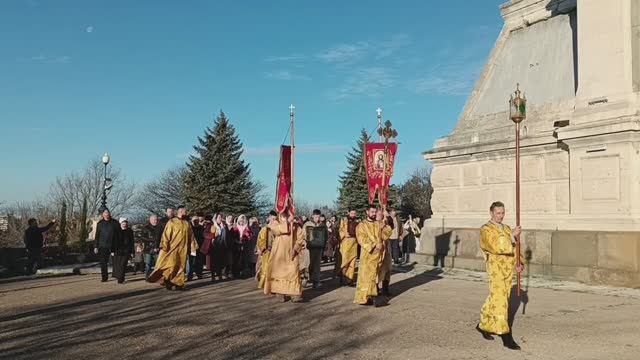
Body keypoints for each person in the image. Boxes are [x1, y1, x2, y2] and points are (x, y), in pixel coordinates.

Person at [475, 201, 523, 351]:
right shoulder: (485, 229)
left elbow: (515, 247)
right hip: (495, 269)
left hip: (508, 268)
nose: (500, 216)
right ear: (491, 213)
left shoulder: (507, 228)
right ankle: (505, 334)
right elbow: (495, 245)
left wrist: (519, 262)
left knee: (496, 297)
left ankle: (484, 324)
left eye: (502, 213)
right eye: (498, 213)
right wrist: (511, 236)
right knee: (501, 300)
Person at [147, 205, 198, 291]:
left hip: (183, 249)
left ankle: (179, 284)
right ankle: (168, 281)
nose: (186, 212)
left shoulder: (186, 223)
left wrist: (193, 247)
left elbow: (191, 236)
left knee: (181, 266)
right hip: (172, 249)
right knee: (172, 265)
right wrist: (165, 246)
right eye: (185, 210)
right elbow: (166, 235)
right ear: (180, 211)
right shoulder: (172, 222)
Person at [263, 210, 306, 302]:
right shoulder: (275, 223)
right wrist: (287, 222)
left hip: (291, 253)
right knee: (279, 273)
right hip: (279, 254)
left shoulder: (295, 225)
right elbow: (277, 231)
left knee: (293, 271)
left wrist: (295, 249)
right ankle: (280, 293)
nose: (285, 216)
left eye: (287, 215)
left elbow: (300, 237)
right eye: (283, 215)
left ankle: (294, 293)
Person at [353, 206, 392, 306]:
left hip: (378, 256)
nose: (374, 214)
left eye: (375, 212)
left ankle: (371, 296)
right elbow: (361, 239)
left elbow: (385, 235)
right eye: (372, 212)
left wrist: (386, 223)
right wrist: (374, 245)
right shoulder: (361, 225)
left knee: (374, 276)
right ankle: (366, 298)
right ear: (367, 212)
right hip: (367, 255)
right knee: (366, 276)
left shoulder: (378, 223)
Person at [303, 210, 328, 289]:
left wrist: (325, 244)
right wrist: (304, 243)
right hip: (309, 248)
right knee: (308, 263)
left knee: (317, 265)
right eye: (316, 216)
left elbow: (326, 236)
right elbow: (303, 235)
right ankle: (305, 279)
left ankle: (316, 281)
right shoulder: (307, 224)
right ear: (313, 216)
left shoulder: (323, 225)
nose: (317, 218)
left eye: (319, 216)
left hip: (318, 247)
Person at [94, 209, 121, 282]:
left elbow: (119, 235)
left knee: (116, 262)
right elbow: (97, 235)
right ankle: (104, 277)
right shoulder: (100, 223)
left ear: (109, 214)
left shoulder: (115, 223)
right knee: (103, 262)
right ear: (103, 215)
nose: (106, 214)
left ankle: (117, 275)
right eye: (105, 213)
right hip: (103, 246)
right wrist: (95, 246)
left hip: (114, 245)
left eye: (107, 213)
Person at [338, 209, 359, 286]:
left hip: (354, 243)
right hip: (346, 243)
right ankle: (342, 278)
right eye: (352, 213)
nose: (353, 215)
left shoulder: (358, 221)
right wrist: (344, 234)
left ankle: (350, 280)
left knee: (352, 263)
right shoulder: (344, 220)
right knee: (344, 262)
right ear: (348, 213)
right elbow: (340, 230)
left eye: (354, 213)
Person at [256, 211, 277, 289]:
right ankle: (264, 283)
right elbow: (261, 240)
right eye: (272, 218)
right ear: (269, 218)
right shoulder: (265, 228)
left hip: (276, 251)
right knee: (265, 267)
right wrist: (263, 248)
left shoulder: (278, 229)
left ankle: (273, 285)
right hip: (267, 251)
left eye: (275, 219)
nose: (273, 220)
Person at [112, 218, 134, 284]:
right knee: (118, 265)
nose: (124, 224)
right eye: (123, 222)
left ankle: (120, 278)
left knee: (123, 264)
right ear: (120, 223)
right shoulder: (116, 231)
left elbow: (132, 242)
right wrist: (112, 251)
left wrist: (132, 251)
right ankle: (119, 276)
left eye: (125, 222)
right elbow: (113, 241)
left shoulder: (130, 231)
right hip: (117, 250)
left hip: (126, 251)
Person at [142, 214, 163, 280]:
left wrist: (159, 247)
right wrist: (151, 240)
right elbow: (142, 238)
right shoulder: (146, 228)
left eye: (156, 220)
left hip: (158, 248)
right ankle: (147, 276)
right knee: (148, 264)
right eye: (154, 220)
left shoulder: (160, 227)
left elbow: (162, 238)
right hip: (149, 248)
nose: (155, 221)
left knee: (158, 264)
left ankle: (157, 276)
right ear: (150, 220)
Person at [210, 213, 229, 282]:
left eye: (221, 217)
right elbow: (211, 237)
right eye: (219, 217)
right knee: (214, 262)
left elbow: (225, 237)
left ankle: (220, 274)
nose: (220, 219)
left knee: (221, 262)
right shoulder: (213, 226)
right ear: (215, 219)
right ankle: (213, 275)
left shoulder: (223, 226)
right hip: (215, 246)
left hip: (222, 246)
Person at [188, 216, 205, 281]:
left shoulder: (201, 227)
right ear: (192, 221)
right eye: (194, 220)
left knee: (199, 262)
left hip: (200, 247)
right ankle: (190, 275)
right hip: (192, 247)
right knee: (191, 262)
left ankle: (199, 274)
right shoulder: (190, 228)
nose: (195, 221)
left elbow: (203, 237)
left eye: (197, 220)